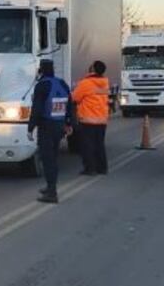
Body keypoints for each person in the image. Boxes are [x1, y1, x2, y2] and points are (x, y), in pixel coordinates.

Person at [27, 59, 73, 204]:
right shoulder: (62, 83)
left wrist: (30, 128)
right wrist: (68, 122)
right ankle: (49, 186)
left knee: (48, 160)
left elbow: (37, 109)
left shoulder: (42, 86)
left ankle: (52, 192)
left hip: (46, 126)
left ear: (41, 70)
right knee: (53, 157)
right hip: (59, 126)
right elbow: (70, 104)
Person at [72, 60, 110, 175]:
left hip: (88, 119)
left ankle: (90, 169)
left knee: (87, 146)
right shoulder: (105, 82)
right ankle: (102, 168)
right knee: (99, 145)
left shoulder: (85, 83)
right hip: (102, 119)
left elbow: (75, 98)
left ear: (92, 69)